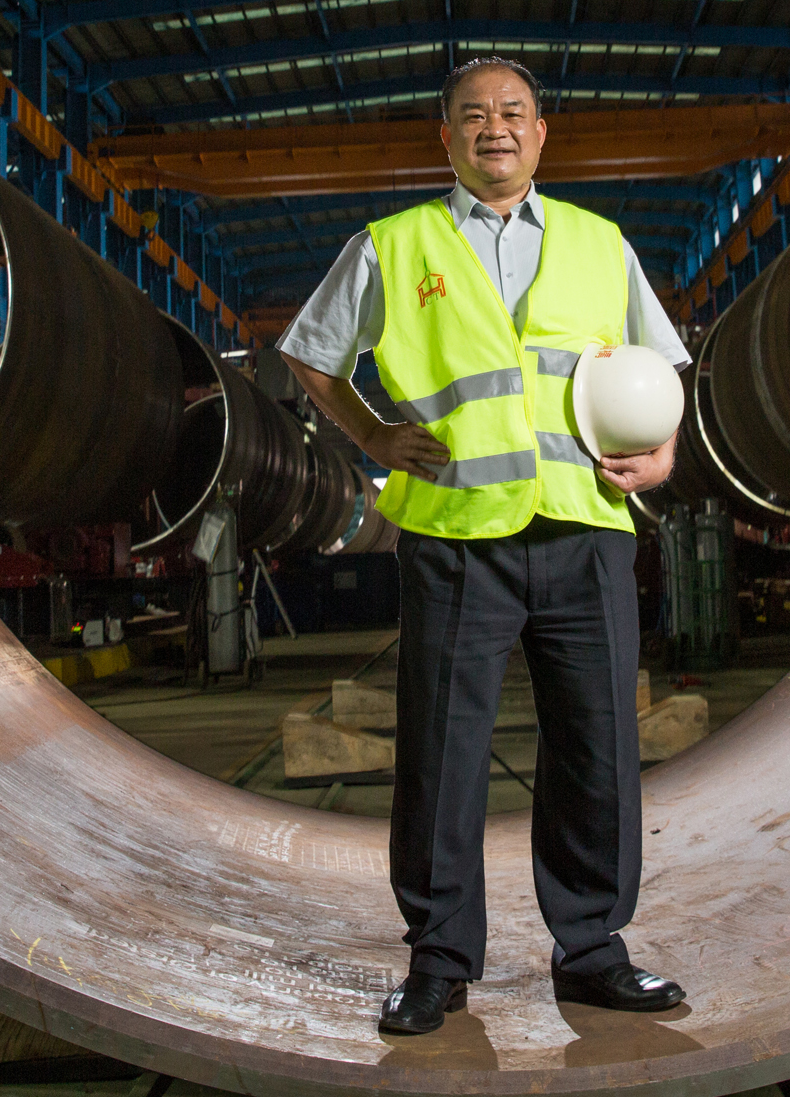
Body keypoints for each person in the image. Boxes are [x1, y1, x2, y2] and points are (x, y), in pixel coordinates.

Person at [277, 57, 692, 1036]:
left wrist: (664, 449)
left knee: (597, 746)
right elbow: (310, 349)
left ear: (540, 134)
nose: (493, 128)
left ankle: (592, 951)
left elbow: (659, 356)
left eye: (512, 113)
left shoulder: (599, 243)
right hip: (456, 533)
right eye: (473, 115)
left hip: (584, 526)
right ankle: (438, 960)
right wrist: (373, 437)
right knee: (443, 752)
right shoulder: (394, 243)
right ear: (447, 138)